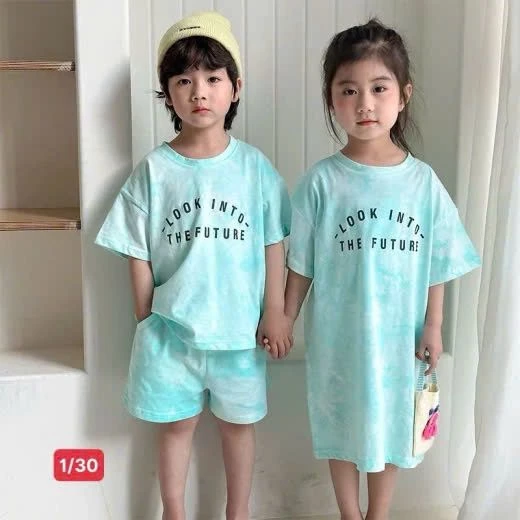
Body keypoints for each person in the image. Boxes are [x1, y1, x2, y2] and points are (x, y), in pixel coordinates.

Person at [95, 11, 292, 520]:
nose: (199, 92)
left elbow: (274, 244)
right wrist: (145, 313)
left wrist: (275, 310)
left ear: (235, 87)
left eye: (212, 78)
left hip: (239, 335)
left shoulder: (254, 169)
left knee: (238, 428)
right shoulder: (155, 171)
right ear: (167, 94)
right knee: (175, 426)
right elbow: (134, 245)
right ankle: (174, 512)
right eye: (183, 81)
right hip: (170, 334)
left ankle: (238, 512)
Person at [281, 18, 480, 520]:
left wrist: (433, 324)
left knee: (393, 426)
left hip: (399, 341)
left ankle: (379, 514)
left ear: (403, 95)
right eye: (349, 90)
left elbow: (439, 261)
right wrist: (284, 317)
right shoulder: (321, 183)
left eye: (378, 88)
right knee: (341, 425)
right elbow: (301, 265)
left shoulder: (423, 184)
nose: (364, 103)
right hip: (339, 340)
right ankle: (349, 514)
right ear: (331, 100)